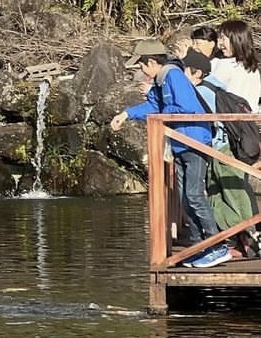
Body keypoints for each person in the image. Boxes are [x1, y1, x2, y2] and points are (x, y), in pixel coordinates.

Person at [110, 38, 229, 268]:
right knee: (185, 198)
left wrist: (162, 113)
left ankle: (216, 245)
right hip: (180, 145)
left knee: (194, 195)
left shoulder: (173, 75)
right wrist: (126, 114)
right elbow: (152, 106)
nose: (140, 70)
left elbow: (186, 107)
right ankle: (197, 245)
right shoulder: (160, 81)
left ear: (153, 62)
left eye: (142, 65)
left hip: (193, 142)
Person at [182, 48, 258, 256]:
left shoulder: (202, 92)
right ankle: (240, 240)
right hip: (226, 148)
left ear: (196, 73)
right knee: (225, 196)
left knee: (229, 197)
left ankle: (247, 240)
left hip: (221, 149)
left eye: (184, 71)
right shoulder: (216, 85)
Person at [210, 19, 261, 112]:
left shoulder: (224, 65)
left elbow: (207, 90)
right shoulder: (253, 69)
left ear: (236, 40)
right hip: (248, 123)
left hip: (227, 122)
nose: (219, 44)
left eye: (223, 38)